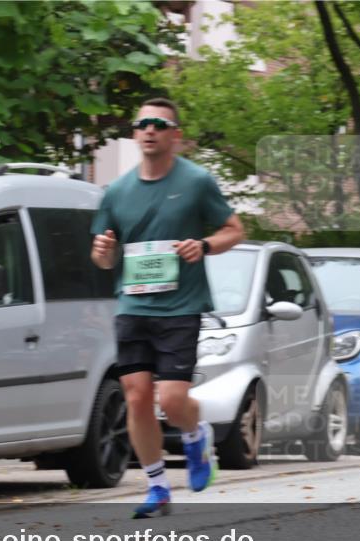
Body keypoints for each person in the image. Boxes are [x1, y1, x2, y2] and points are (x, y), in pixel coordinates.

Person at [90, 98, 245, 518]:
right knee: (136, 397)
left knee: (173, 400)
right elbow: (103, 259)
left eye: (160, 124)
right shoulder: (117, 191)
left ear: (175, 135)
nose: (150, 130)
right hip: (133, 306)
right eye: (142, 123)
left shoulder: (196, 182)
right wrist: (103, 251)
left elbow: (235, 230)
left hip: (179, 307)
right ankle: (157, 486)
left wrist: (206, 245)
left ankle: (196, 436)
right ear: (135, 132)